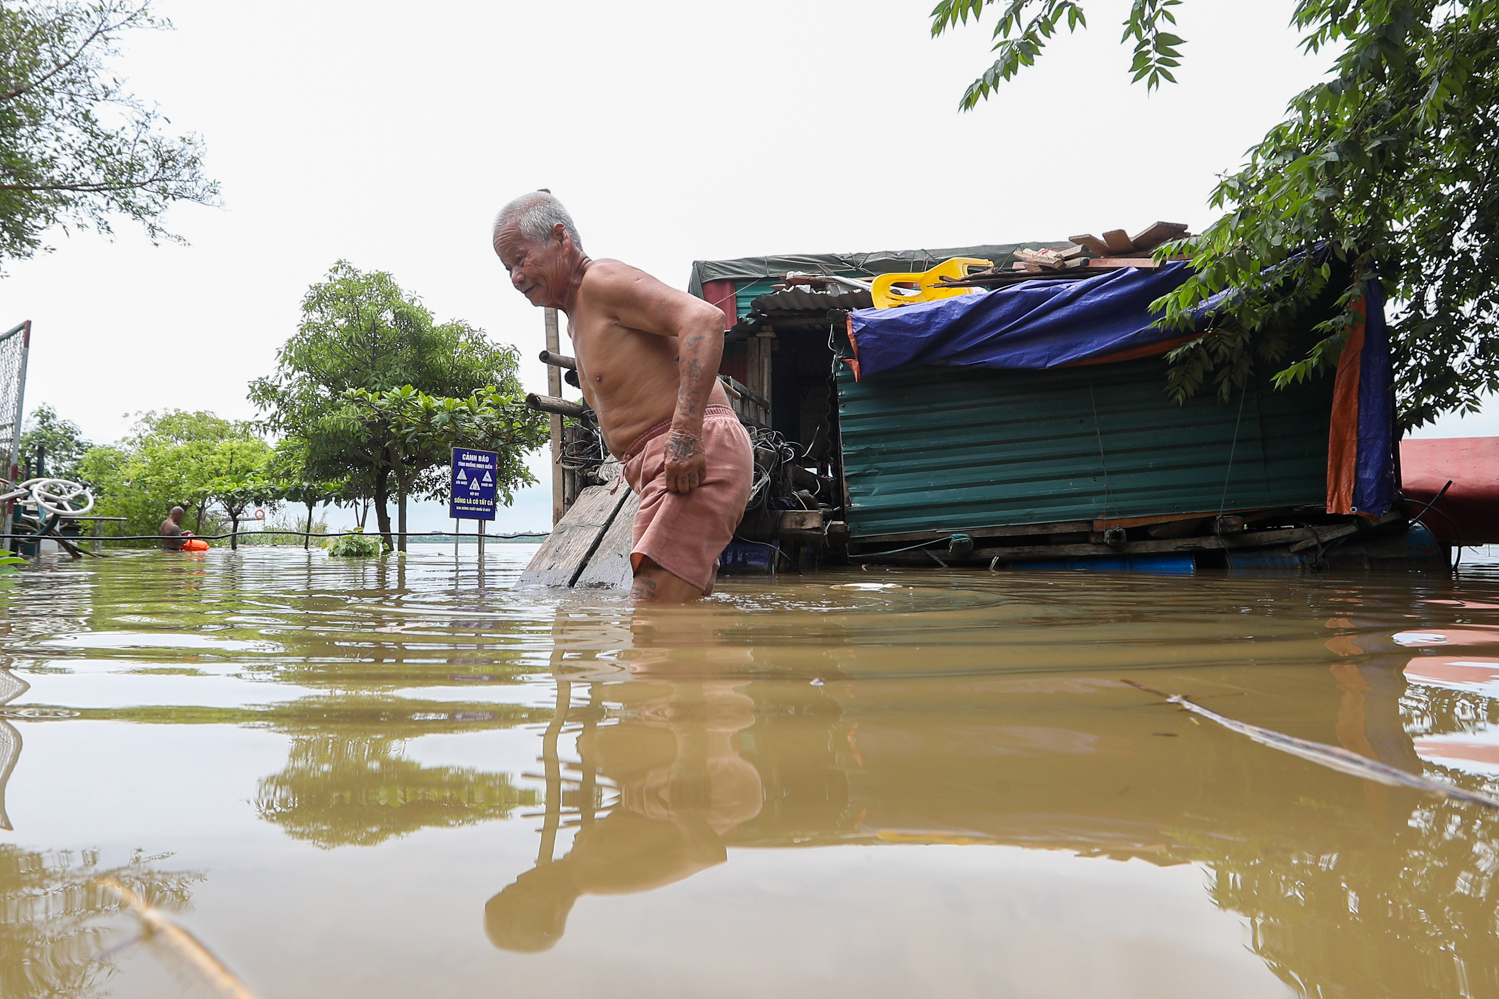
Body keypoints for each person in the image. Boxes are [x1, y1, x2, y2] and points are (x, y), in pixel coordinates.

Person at [493, 192, 752, 603]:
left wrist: (685, 433)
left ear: (560, 238)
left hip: (691, 446)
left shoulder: (600, 281)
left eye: (521, 259)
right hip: (653, 469)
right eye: (507, 267)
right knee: (673, 614)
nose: (516, 278)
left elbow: (704, 319)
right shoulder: (577, 314)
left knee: (650, 615)